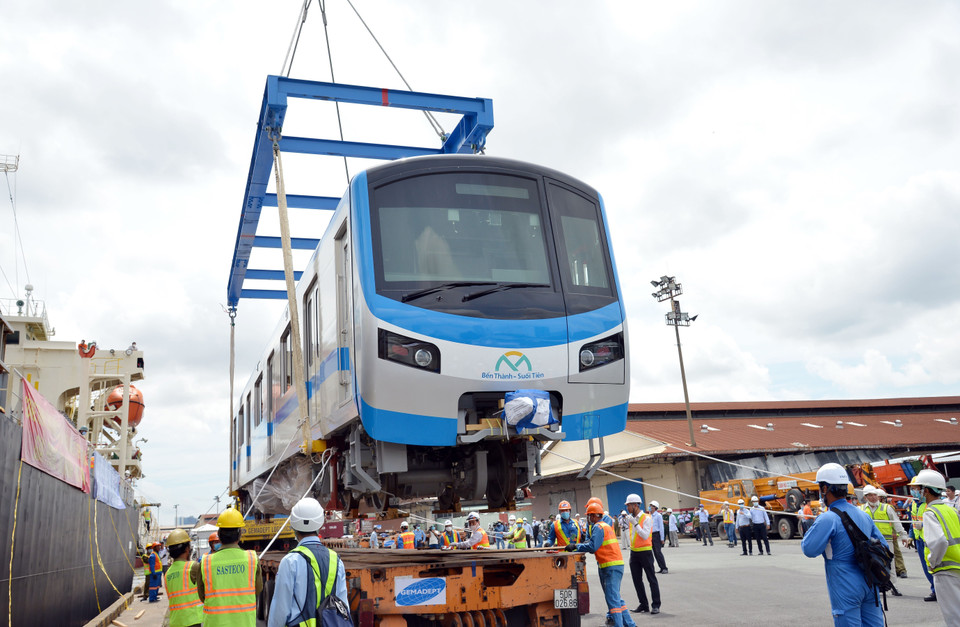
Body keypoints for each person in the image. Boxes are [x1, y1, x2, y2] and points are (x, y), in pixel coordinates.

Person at [802, 462, 886, 626]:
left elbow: (809, 549)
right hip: (869, 580)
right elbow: (883, 546)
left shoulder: (828, 518)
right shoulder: (863, 515)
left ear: (825, 489)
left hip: (845, 583)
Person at [267, 498, 350, 627]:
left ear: (293, 526)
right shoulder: (336, 561)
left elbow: (280, 609)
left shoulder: (290, 562)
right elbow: (343, 607)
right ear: (320, 524)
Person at [566, 502, 638, 627]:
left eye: (589, 516)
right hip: (615, 565)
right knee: (616, 598)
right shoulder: (605, 526)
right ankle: (630, 624)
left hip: (610, 566)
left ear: (593, 516)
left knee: (612, 600)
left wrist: (575, 547)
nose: (588, 519)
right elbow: (593, 542)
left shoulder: (598, 527)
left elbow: (593, 546)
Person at [190, 507, 262, 625]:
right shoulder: (252, 558)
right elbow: (257, 589)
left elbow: (203, 596)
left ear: (219, 534)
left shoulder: (206, 562)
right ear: (239, 534)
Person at [916, 468, 960, 625]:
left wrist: (932, 561)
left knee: (954, 617)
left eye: (918, 489)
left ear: (926, 490)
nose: (916, 492)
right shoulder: (951, 510)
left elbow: (939, 542)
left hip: (945, 571)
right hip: (957, 565)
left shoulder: (930, 512)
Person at [860, 485, 908, 579]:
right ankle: (878, 587)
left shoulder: (887, 508)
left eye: (875, 495)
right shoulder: (861, 509)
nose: (873, 497)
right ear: (865, 497)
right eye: (870, 495)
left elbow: (896, 522)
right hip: (870, 541)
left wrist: (903, 535)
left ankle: (894, 586)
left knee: (890, 564)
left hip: (886, 540)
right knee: (872, 564)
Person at [623, 494, 660, 615]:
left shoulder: (647, 518)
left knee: (651, 579)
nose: (627, 508)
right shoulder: (631, 518)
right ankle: (643, 604)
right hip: (634, 553)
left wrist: (635, 524)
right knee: (637, 580)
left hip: (645, 552)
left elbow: (644, 535)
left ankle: (656, 605)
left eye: (628, 505)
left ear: (635, 505)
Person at [908, 474, 939, 601]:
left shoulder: (929, 504)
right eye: (912, 488)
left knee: (935, 567)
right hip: (920, 540)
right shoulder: (914, 504)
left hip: (931, 540)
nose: (913, 491)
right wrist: (911, 536)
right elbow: (912, 521)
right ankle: (934, 590)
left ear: (924, 490)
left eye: (915, 488)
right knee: (927, 568)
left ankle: (938, 591)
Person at [164, 529, 202, 627]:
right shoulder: (193, 567)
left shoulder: (167, 574)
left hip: (176, 622)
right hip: (194, 620)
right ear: (187, 549)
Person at [648, 501, 668, 573]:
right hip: (650, 535)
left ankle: (664, 568)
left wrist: (662, 538)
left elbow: (661, 527)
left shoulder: (658, 516)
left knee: (658, 552)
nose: (650, 507)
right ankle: (661, 568)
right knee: (654, 553)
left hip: (657, 535)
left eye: (651, 506)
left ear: (655, 507)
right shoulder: (649, 515)